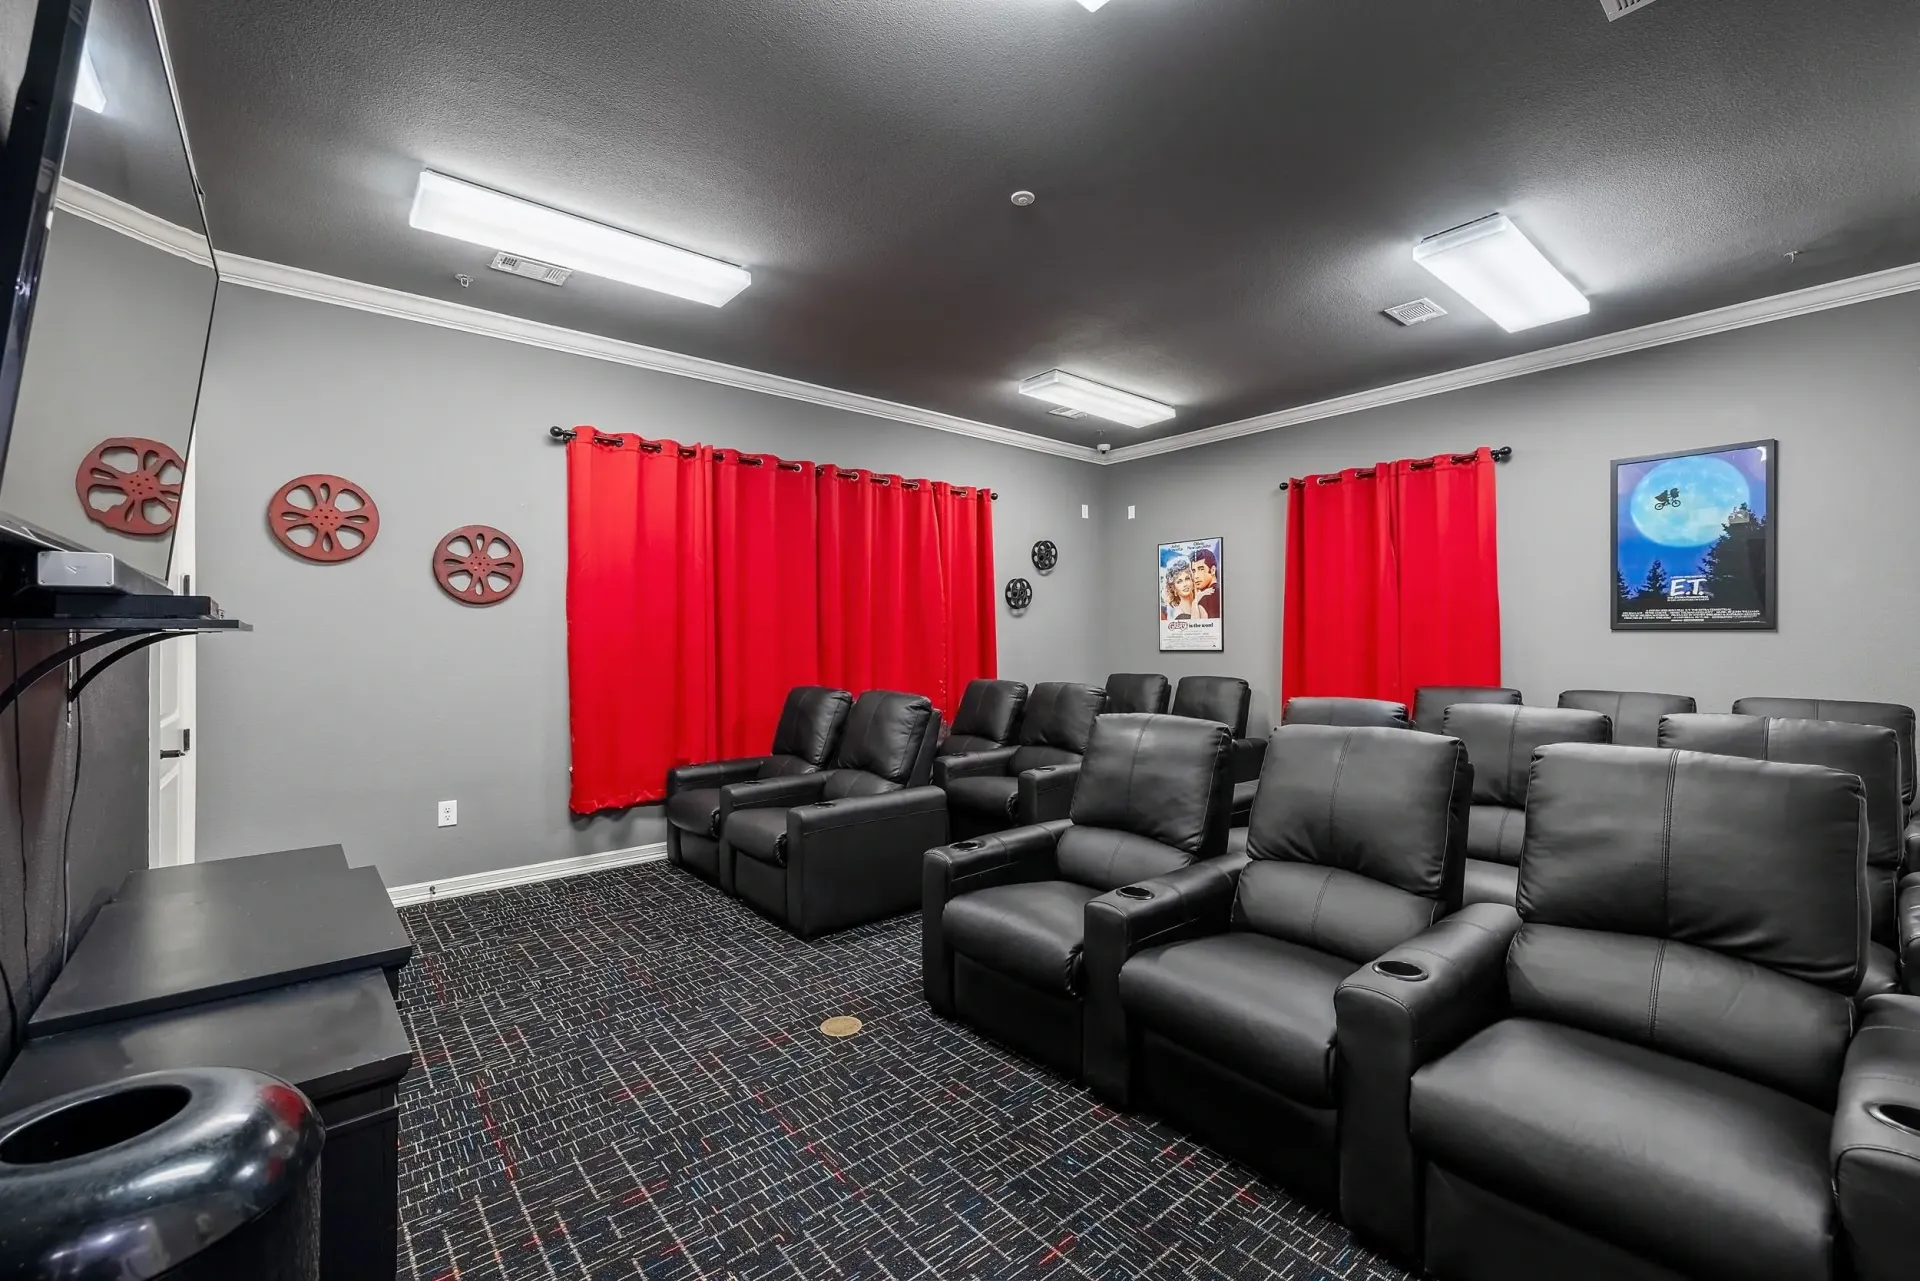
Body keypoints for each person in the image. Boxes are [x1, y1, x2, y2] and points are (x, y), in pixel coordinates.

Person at [1189, 545, 1221, 619]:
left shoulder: (1203, 599)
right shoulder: (1221, 592)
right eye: (1194, 571)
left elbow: (1196, 626)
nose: (1195, 576)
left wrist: (1194, 603)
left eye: (1201, 569)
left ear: (1212, 570)